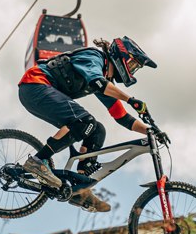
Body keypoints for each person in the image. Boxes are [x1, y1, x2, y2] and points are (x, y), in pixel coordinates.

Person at [18, 36, 156, 212]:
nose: (133, 70)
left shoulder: (104, 80)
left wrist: (151, 132)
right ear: (122, 56)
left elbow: (121, 117)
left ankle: (80, 189)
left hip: (41, 92)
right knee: (85, 122)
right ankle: (38, 161)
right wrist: (130, 100)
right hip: (35, 85)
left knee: (97, 130)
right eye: (133, 65)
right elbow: (97, 82)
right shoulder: (94, 57)